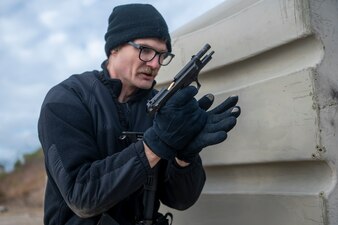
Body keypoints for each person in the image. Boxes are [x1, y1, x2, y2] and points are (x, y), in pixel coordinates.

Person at [38, 3, 240, 225]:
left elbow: (179, 200)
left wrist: (185, 158)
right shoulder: (67, 99)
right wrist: (154, 146)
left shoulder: (163, 110)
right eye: (145, 50)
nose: (154, 64)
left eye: (162, 55)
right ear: (114, 48)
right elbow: (82, 195)